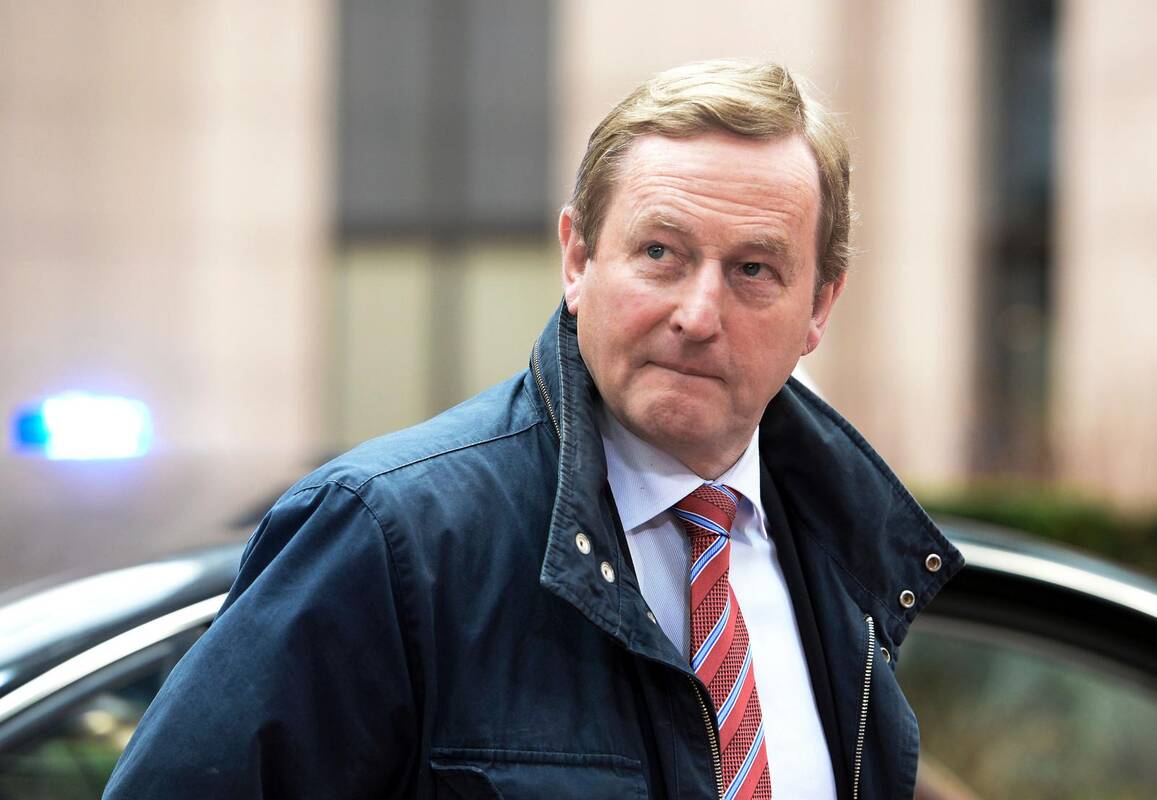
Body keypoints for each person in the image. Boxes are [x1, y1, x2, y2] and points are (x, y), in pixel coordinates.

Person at [105, 60, 962, 800]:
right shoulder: (390, 538)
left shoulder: (843, 564)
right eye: (659, 253)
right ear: (576, 260)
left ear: (818, 307)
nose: (698, 315)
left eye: (753, 269)